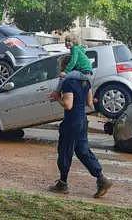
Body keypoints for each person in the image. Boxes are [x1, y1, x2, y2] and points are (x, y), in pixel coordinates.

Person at [48, 56, 113, 198]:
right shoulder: (85, 81)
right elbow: (90, 103)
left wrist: (57, 97)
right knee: (83, 151)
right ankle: (101, 178)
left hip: (71, 121)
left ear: (66, 67)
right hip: (83, 120)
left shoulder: (68, 82)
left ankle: (62, 184)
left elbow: (68, 105)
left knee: (65, 150)